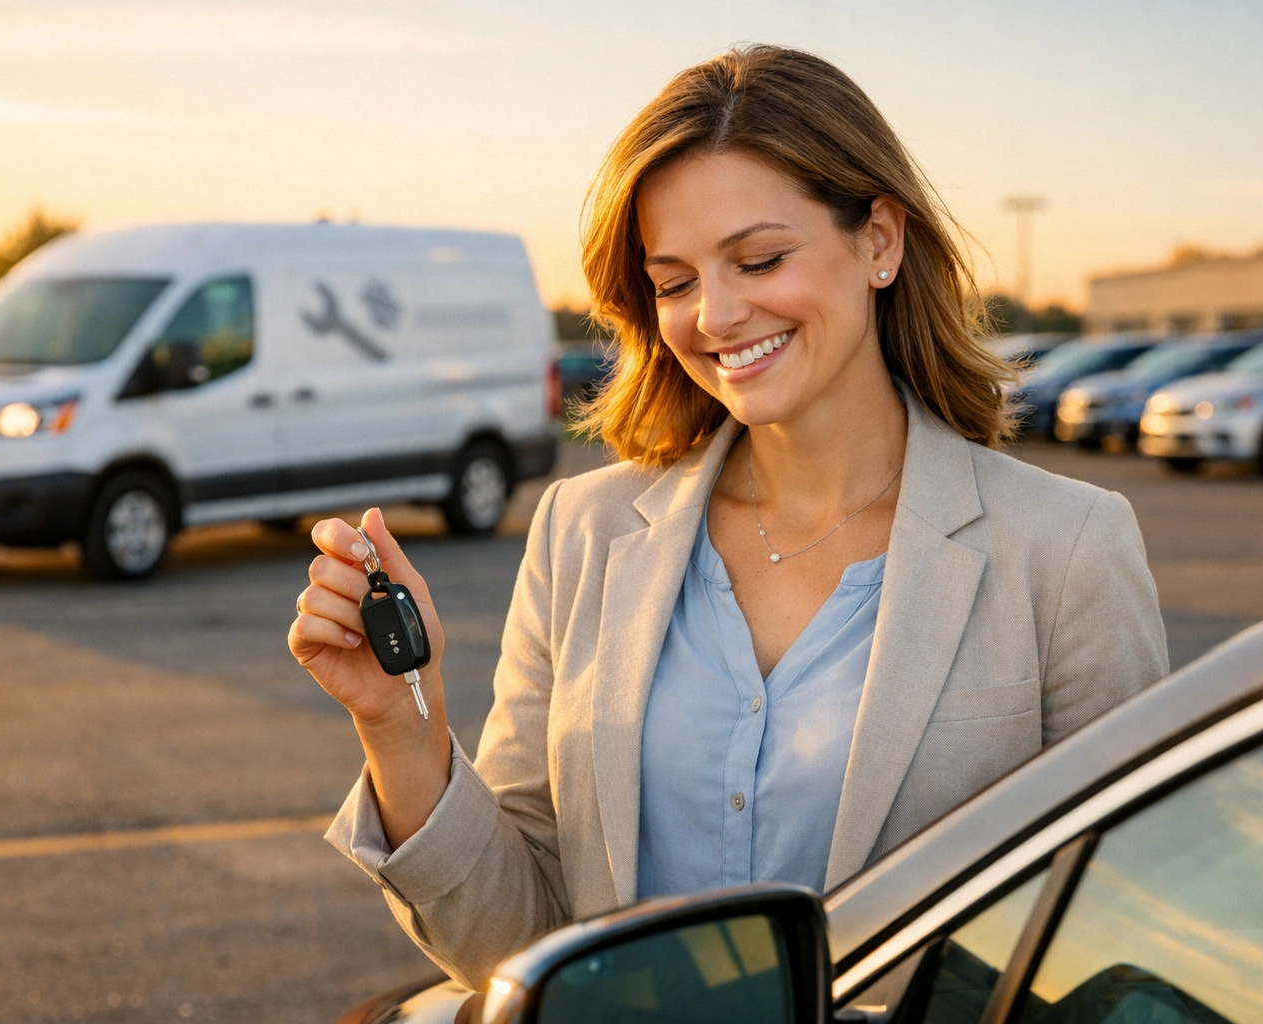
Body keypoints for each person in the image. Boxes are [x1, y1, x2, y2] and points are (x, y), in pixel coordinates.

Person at [289, 44, 1167, 987]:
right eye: (673, 282)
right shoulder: (581, 532)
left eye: (759, 259)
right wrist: (400, 732)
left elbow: (1122, 931)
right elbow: (524, 945)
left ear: (880, 240)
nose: (715, 314)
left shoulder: (1068, 550)